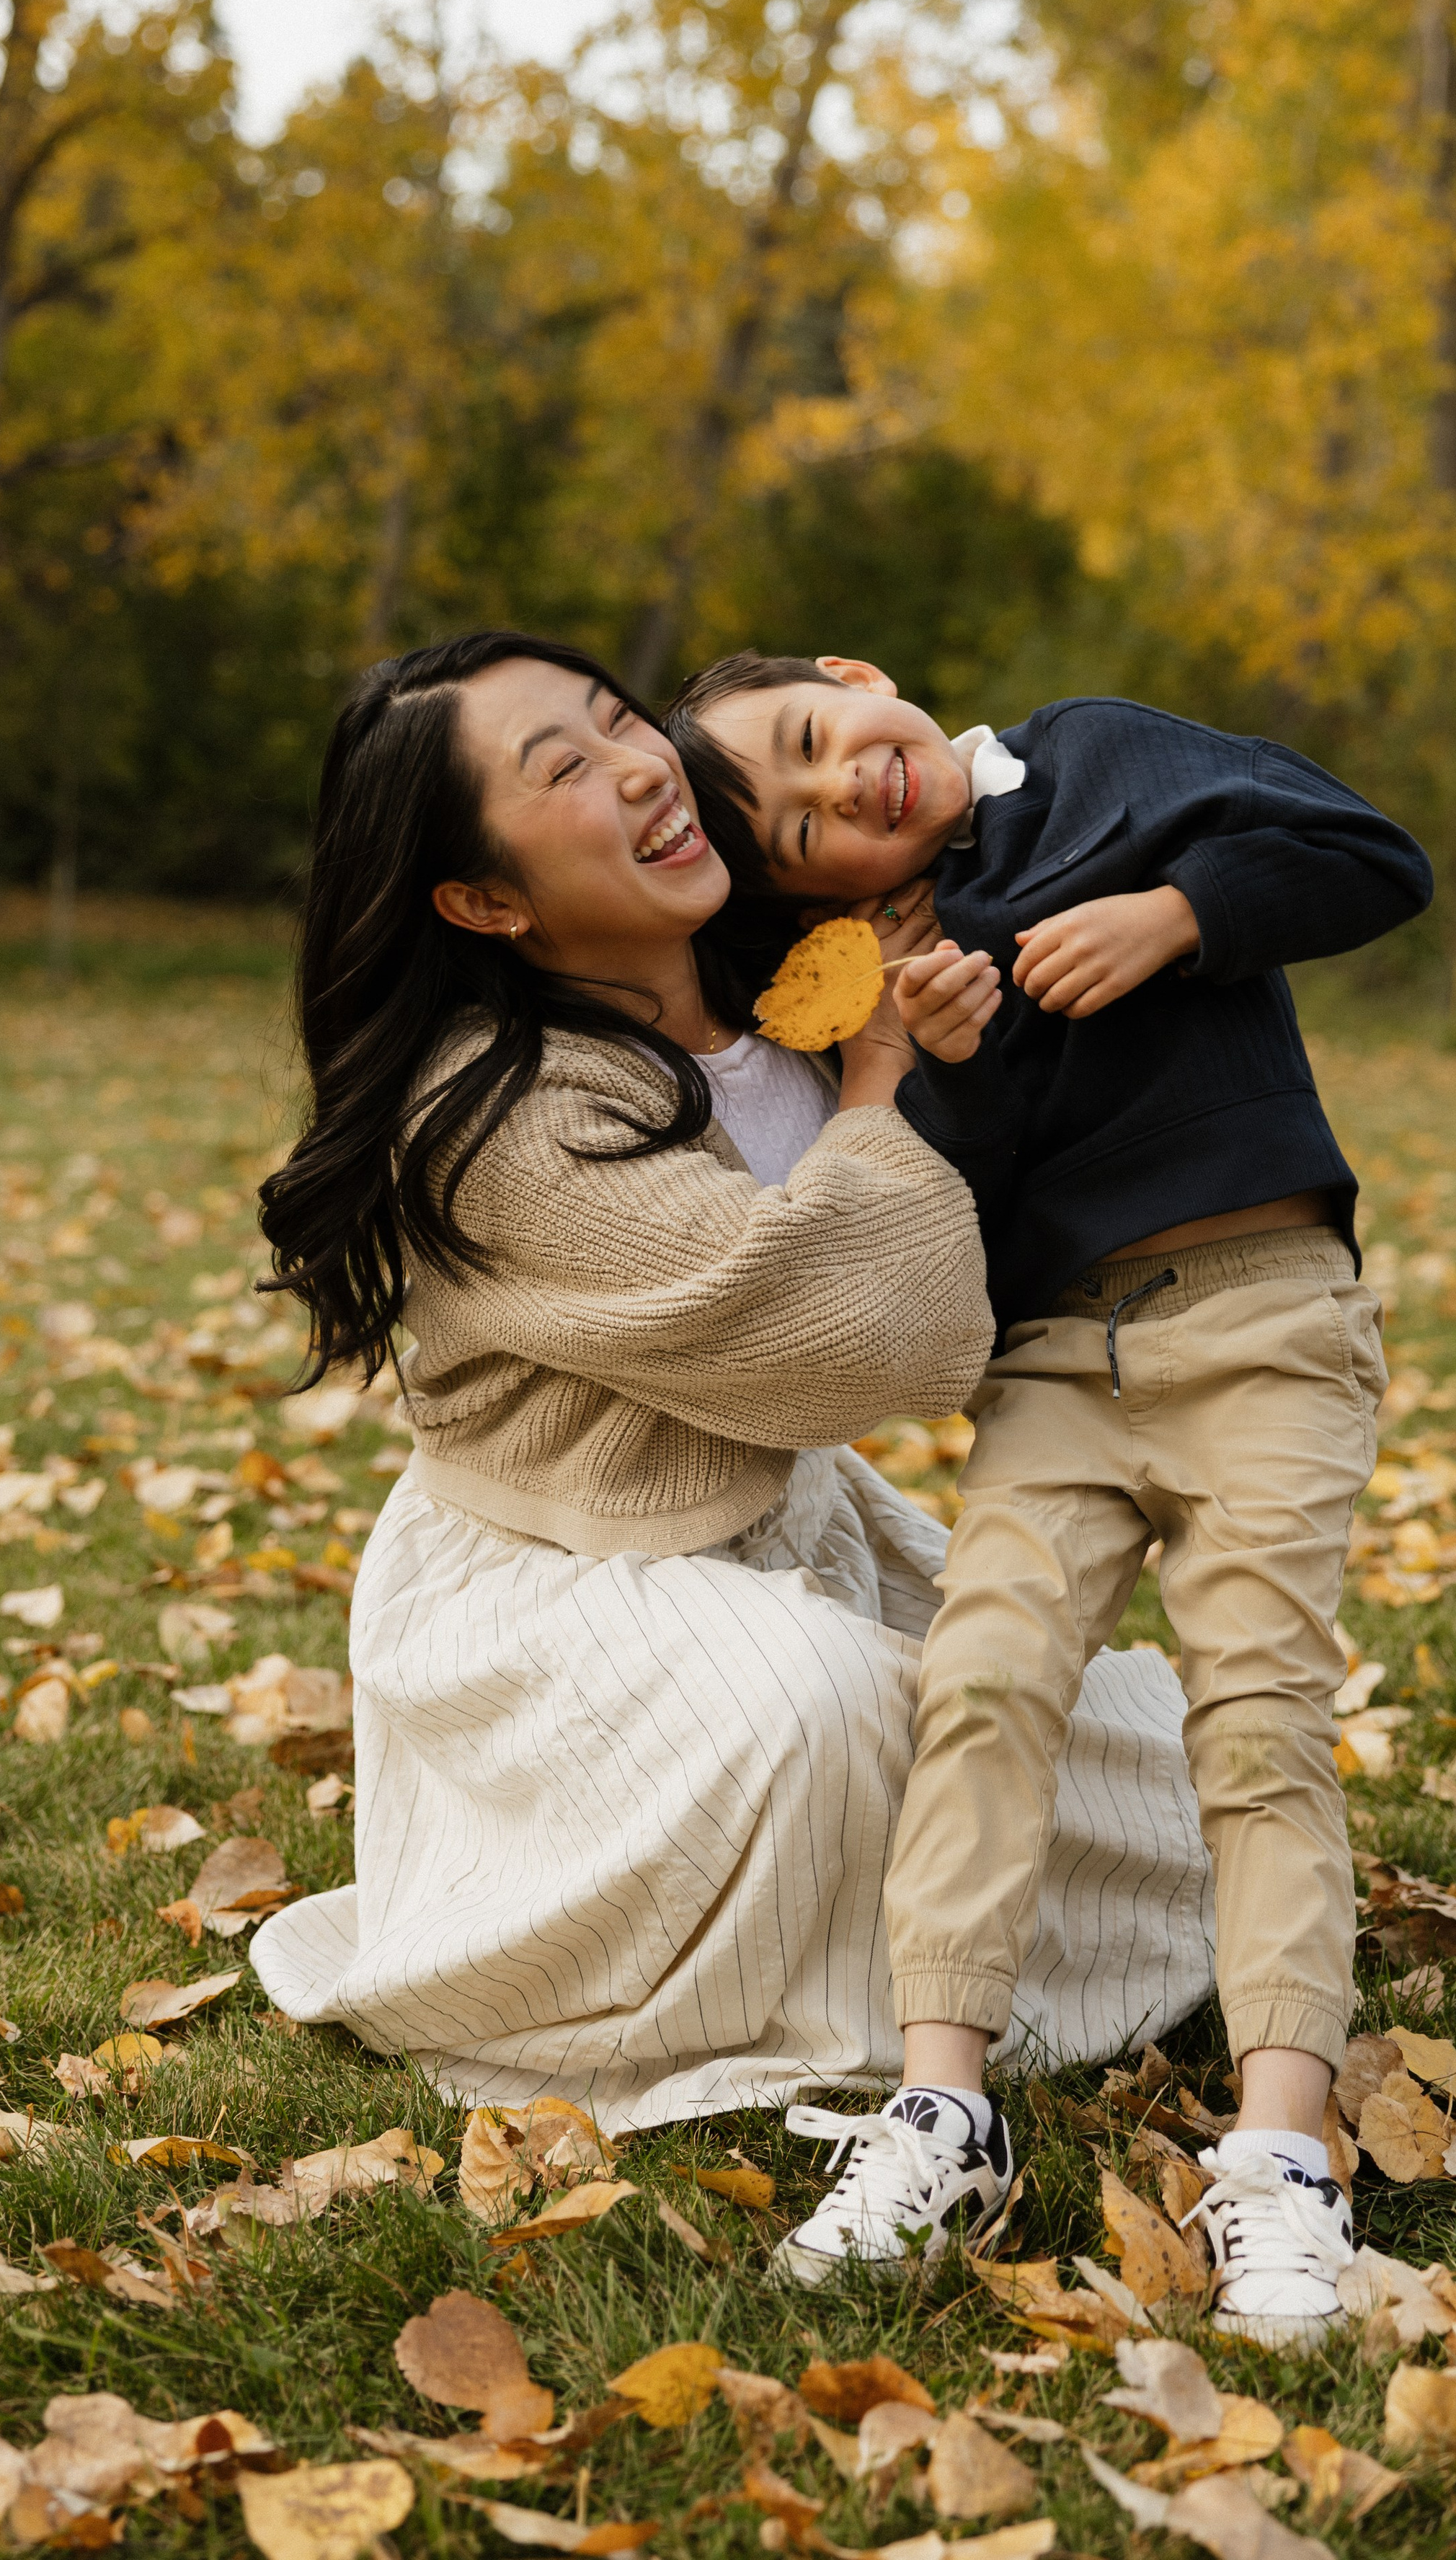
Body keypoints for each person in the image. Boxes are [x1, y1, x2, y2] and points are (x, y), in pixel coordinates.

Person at [249, 630, 1215, 2171]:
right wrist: (881, 1084)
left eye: (618, 720)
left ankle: (913, 1918)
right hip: (567, 1588)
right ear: (487, 901)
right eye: (563, 770)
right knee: (814, 1711)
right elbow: (861, 1342)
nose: (641, 766)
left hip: (798, 1530)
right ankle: (709, 1975)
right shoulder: (493, 1109)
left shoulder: (783, 977)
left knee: (1157, 1761)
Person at [666, 648, 1434, 2343]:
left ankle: (1280, 2155)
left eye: (817, 735)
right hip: (1051, 1363)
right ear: (807, 894)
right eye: (800, 826)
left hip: (1263, 1316)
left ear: (858, 680)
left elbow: (1368, 857)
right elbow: (952, 1213)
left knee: (1258, 1715)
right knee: (981, 1684)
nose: (844, 783)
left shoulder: (1090, 760)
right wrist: (937, 1070)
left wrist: (1177, 916)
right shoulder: (881, 977)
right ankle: (943, 2110)